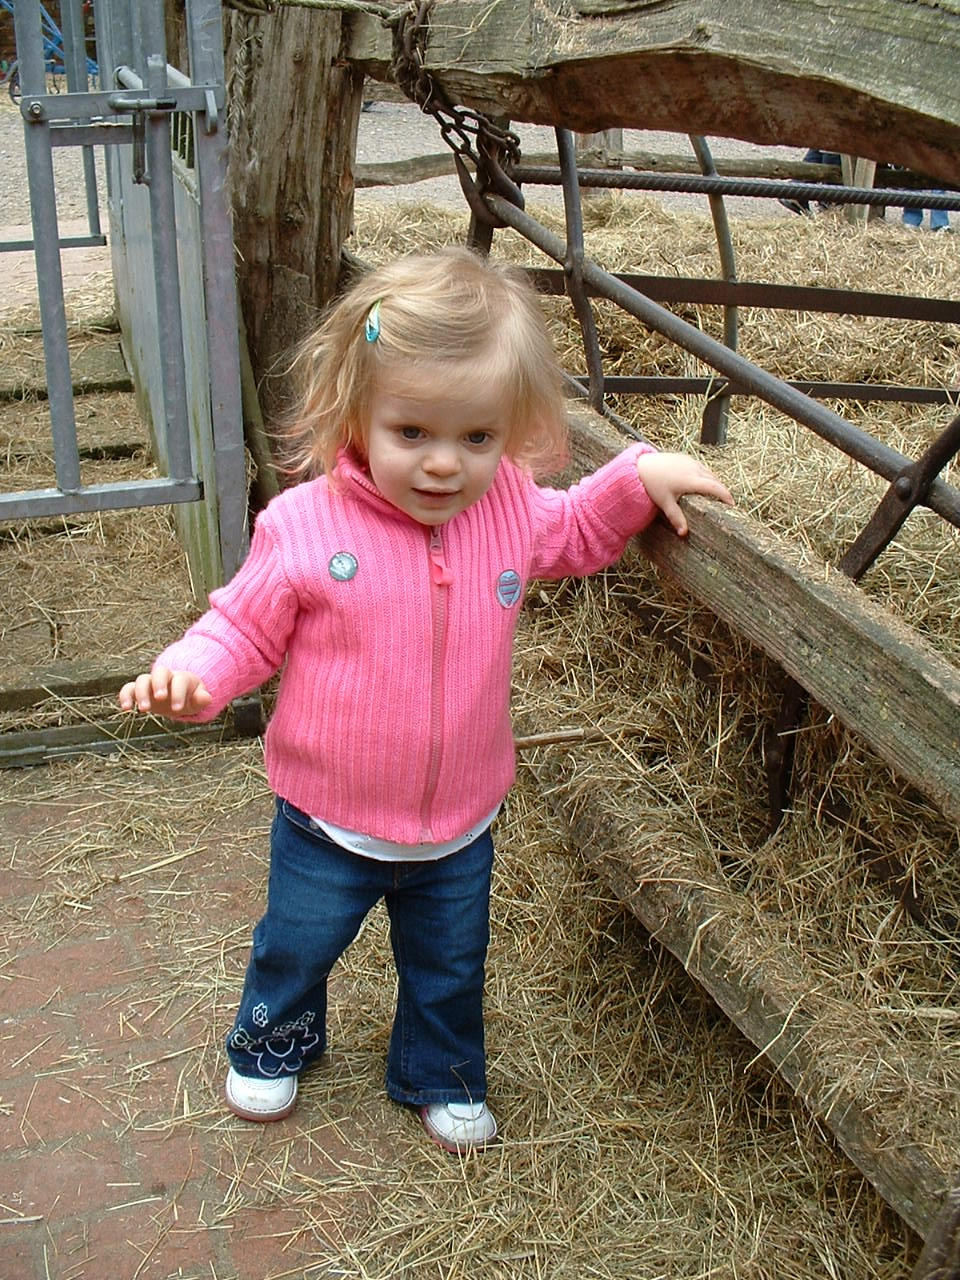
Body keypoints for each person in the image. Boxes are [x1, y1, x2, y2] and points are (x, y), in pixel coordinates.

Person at [118, 247, 734, 1153]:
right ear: (355, 414)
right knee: (297, 943)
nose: (446, 464)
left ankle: (439, 1072)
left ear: (509, 432)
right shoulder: (303, 527)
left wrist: (635, 477)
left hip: (459, 821)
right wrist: (195, 677)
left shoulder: (510, 509)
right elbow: (241, 631)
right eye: (413, 433)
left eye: (477, 438)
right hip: (327, 818)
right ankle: (274, 1037)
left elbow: (574, 526)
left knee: (449, 965)